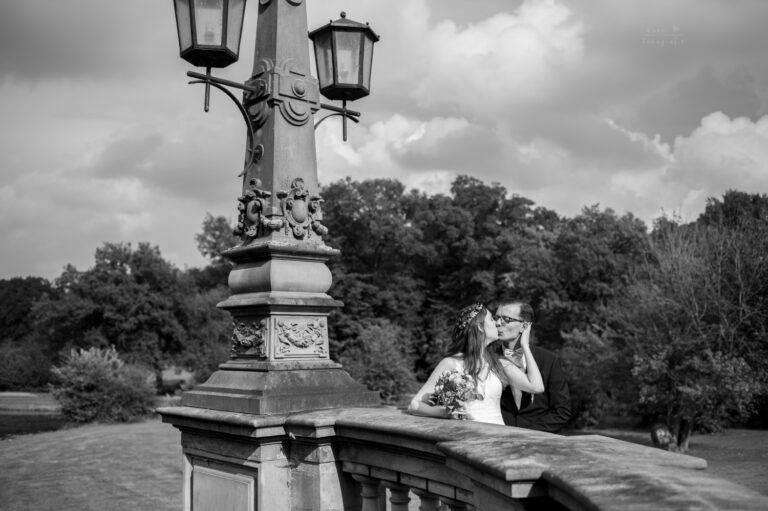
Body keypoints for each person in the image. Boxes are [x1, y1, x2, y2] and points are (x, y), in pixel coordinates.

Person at [408, 303, 544, 425]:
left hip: (499, 435)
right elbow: (415, 405)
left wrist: (525, 345)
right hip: (467, 435)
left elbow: (536, 387)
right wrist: (446, 413)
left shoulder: (500, 363)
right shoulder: (451, 363)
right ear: (479, 327)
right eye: (492, 319)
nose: (497, 323)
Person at [495, 301, 572, 433]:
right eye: (496, 318)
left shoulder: (548, 359)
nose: (498, 323)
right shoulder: (488, 357)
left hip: (538, 441)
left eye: (506, 319)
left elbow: (562, 411)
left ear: (524, 326)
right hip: (498, 436)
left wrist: (530, 435)